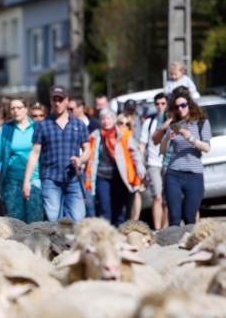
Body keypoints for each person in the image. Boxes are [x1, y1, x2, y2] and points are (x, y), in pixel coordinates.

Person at [23, 85, 91, 222]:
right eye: (54, 99)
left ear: (67, 100)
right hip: (51, 179)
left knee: (77, 219)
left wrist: (81, 159)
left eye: (60, 99)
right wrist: (26, 181)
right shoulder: (42, 125)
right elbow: (35, 153)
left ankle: (72, 244)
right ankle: (56, 244)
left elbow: (88, 149)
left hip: (73, 179)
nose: (57, 103)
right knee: (54, 221)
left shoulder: (79, 124)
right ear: (50, 101)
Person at [0, 97, 43, 223]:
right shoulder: (5, 129)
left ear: (26, 109)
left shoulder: (37, 127)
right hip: (12, 182)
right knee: (17, 222)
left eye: (19, 108)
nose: (16, 111)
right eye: (12, 108)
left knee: (35, 221)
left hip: (35, 179)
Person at [85, 109, 146, 226]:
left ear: (114, 120)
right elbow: (89, 155)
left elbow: (135, 154)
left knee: (118, 208)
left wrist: (140, 169)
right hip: (102, 176)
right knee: (104, 206)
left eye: (108, 118)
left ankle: (119, 233)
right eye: (103, 119)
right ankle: (106, 233)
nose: (105, 121)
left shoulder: (124, 135)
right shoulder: (95, 136)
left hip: (120, 177)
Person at [160, 92, 211, 226]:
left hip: (194, 174)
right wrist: (167, 138)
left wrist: (190, 138)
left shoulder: (202, 122)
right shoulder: (174, 123)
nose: (180, 109)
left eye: (183, 105)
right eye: (177, 107)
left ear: (190, 104)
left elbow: (206, 147)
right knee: (174, 217)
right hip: (174, 173)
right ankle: (173, 245)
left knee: (190, 217)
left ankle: (188, 244)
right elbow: (162, 151)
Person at [139, 93, 168, 229]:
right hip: (153, 163)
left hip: (168, 162)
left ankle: (167, 229)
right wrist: (141, 165)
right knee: (157, 197)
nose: (160, 106)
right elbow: (142, 145)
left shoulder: (172, 121)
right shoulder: (149, 122)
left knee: (168, 199)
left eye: (163, 103)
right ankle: (157, 230)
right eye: (157, 104)